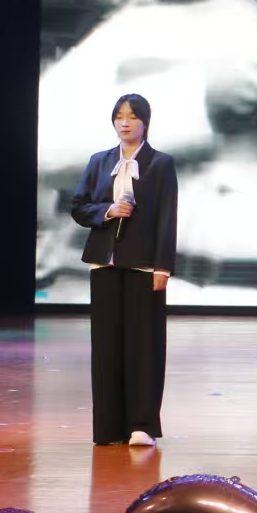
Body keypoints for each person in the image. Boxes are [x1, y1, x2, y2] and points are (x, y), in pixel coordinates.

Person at [71, 94, 178, 446]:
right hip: (105, 263)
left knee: (143, 347)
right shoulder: (99, 161)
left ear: (145, 122)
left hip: (144, 266)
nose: (125, 122)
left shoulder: (160, 164)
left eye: (132, 116)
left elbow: (167, 218)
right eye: (119, 116)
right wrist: (107, 210)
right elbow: (79, 207)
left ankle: (141, 425)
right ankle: (109, 426)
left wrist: (163, 267)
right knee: (106, 346)